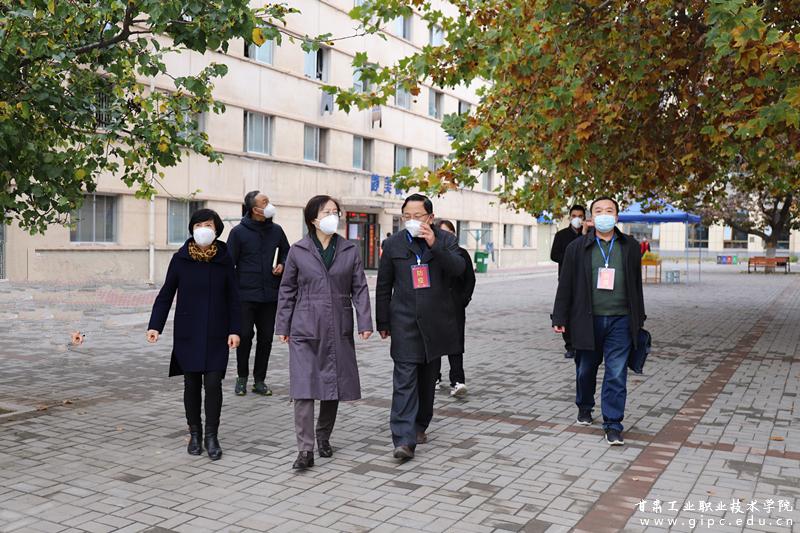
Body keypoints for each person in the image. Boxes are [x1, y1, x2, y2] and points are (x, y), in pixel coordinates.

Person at [275, 195, 373, 470]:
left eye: (335, 211)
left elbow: (360, 287)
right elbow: (287, 290)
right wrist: (283, 325)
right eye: (326, 212)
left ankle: (323, 435)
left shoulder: (349, 249)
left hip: (338, 324)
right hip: (304, 326)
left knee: (333, 385)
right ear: (313, 219)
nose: (333, 216)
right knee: (303, 388)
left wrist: (365, 322)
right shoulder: (298, 250)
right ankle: (305, 450)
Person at [147, 209, 241, 461]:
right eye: (198, 225)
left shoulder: (224, 259)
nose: (203, 229)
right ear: (191, 229)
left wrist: (235, 329)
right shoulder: (180, 259)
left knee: (213, 384)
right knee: (191, 384)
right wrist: (155, 325)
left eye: (208, 225)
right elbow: (166, 294)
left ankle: (212, 435)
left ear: (216, 229)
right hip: (188, 331)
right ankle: (195, 434)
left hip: (217, 332)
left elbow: (234, 298)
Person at [376, 194, 466, 461]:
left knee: (427, 380)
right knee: (404, 380)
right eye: (407, 216)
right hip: (404, 321)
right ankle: (403, 440)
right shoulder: (392, 244)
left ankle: (420, 425)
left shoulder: (446, 240)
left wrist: (434, 244)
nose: (412, 220)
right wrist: (383, 321)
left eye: (418, 216)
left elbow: (458, 269)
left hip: (436, 323)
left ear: (431, 217)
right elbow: (383, 285)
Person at [551, 197, 646, 446]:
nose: (604, 215)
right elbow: (566, 284)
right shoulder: (576, 248)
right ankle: (585, 405)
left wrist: (639, 318)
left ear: (617, 217)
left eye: (609, 210)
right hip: (586, 320)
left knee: (616, 373)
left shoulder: (630, 246)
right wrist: (560, 316)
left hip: (621, 321)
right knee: (585, 370)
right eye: (599, 211)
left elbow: (636, 285)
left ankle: (613, 424)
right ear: (591, 218)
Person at [227, 191, 290, 397]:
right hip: (245, 295)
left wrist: (282, 264)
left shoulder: (276, 230)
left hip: (269, 295)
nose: (270, 205)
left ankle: (259, 380)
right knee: (244, 336)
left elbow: (287, 251)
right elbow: (229, 264)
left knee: (266, 338)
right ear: (255, 209)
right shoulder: (238, 233)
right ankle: (242, 377)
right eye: (265, 202)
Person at [434, 219, 476, 398]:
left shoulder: (461, 253)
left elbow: (470, 279)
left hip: (455, 305)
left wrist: (463, 299)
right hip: (434, 306)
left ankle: (458, 380)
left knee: (456, 344)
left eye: (450, 233)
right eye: (442, 233)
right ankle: (433, 377)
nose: (447, 236)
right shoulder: (431, 253)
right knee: (434, 342)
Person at [549, 204, 586, 358]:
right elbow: (554, 255)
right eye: (574, 216)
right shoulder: (561, 235)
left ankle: (583, 343)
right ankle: (570, 346)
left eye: (580, 216)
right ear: (570, 217)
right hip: (567, 278)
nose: (577, 219)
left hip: (585, 279)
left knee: (582, 311)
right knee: (567, 311)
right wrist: (570, 258)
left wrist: (584, 234)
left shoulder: (589, 234)